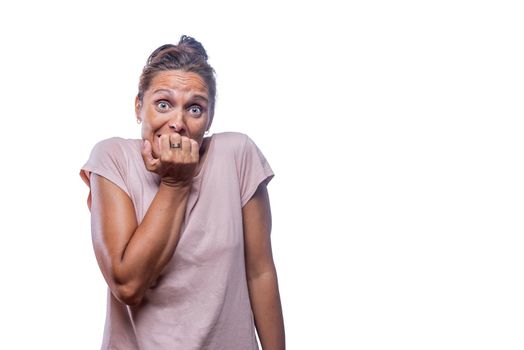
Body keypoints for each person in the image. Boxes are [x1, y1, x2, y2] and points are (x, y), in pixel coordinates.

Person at [80, 35, 285, 350]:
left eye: (194, 108)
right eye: (163, 104)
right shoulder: (112, 158)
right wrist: (176, 183)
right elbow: (128, 284)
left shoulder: (237, 154)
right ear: (139, 107)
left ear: (209, 117)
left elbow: (260, 273)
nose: (177, 122)